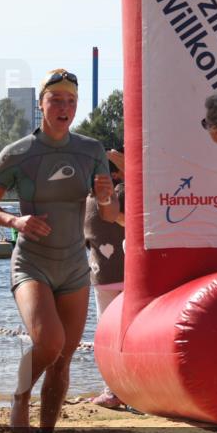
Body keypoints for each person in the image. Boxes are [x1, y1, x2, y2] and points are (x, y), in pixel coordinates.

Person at [0, 68, 115, 433]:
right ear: (41, 104)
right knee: (49, 343)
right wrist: (16, 221)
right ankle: (20, 395)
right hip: (32, 262)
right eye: (56, 100)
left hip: (74, 265)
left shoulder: (91, 150)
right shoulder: (19, 153)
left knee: (63, 359)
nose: (64, 108)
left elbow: (110, 212)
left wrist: (106, 197)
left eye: (71, 101)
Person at [84, 148, 126, 409]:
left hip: (106, 276)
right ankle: (120, 388)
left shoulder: (91, 200)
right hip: (119, 275)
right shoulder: (119, 193)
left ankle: (113, 390)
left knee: (108, 333)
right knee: (118, 333)